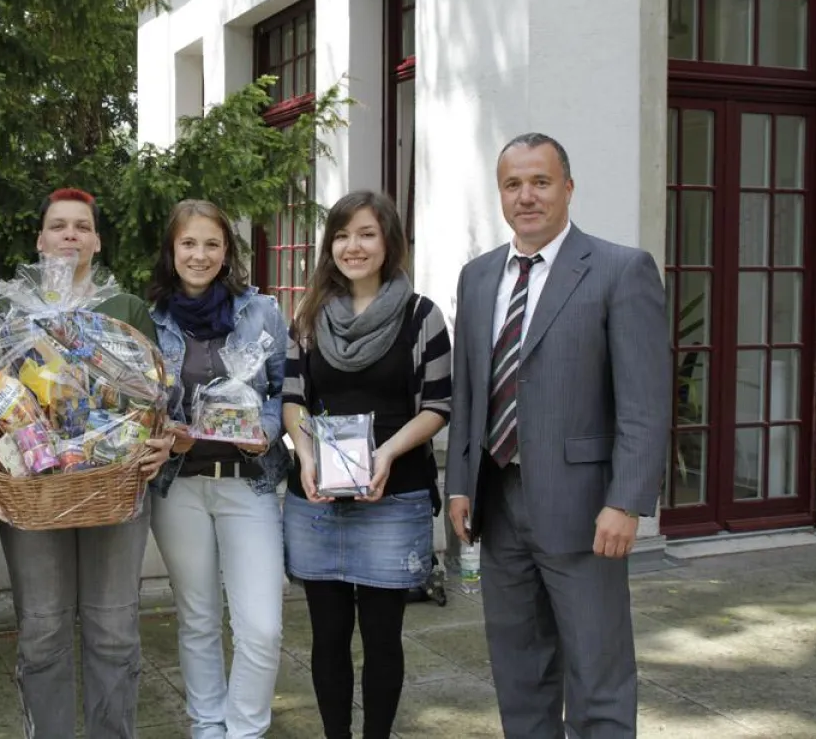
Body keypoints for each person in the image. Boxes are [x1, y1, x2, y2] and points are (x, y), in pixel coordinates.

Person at [445, 133, 672, 738]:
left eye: (540, 182)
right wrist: (459, 484)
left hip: (585, 510)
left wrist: (626, 502)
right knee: (520, 676)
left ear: (568, 188)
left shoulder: (621, 270)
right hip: (498, 503)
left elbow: (645, 403)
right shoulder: (477, 277)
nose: (527, 196)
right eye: (513, 184)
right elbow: (471, 390)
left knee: (599, 678)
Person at [0, 187, 175, 739]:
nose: (69, 235)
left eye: (81, 226)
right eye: (58, 226)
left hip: (112, 485)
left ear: (96, 241)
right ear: (40, 240)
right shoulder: (11, 309)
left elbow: (157, 396)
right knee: (43, 631)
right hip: (36, 490)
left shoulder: (125, 310)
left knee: (113, 630)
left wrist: (165, 439)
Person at [282, 190, 452, 739]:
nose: (352, 246)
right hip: (316, 500)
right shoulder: (307, 318)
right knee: (327, 638)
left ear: (389, 243)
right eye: (341, 235)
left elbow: (438, 405)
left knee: (383, 638)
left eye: (366, 234)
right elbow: (292, 401)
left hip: (393, 494)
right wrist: (305, 454)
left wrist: (385, 453)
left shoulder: (422, 316)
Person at [147, 200, 293, 739]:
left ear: (227, 251)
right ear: (172, 250)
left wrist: (267, 430)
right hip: (178, 487)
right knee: (199, 619)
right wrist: (166, 429)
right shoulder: (152, 317)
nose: (200, 254)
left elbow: (285, 391)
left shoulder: (261, 312)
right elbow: (138, 402)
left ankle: (246, 730)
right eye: (189, 243)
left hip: (248, 482)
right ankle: (207, 727)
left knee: (261, 625)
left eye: (212, 244)